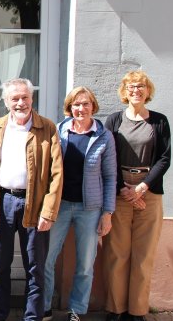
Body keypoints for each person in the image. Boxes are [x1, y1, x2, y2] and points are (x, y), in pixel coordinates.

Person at [0, 77, 63, 321]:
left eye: (25, 97)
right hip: (1, 202)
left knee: (35, 267)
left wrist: (48, 211)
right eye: (15, 98)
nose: (20, 103)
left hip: (34, 205)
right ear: (6, 102)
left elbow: (56, 174)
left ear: (32, 99)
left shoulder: (47, 128)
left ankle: (32, 317)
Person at [42, 87, 117, 321]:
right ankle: (44, 307)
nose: (80, 108)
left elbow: (110, 177)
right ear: (69, 107)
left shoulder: (104, 136)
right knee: (46, 259)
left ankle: (76, 310)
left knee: (85, 264)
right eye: (76, 104)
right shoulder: (59, 130)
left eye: (85, 104)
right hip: (60, 205)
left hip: (89, 208)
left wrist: (108, 213)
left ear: (93, 106)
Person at [102, 71, 171, 321]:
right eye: (131, 86)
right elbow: (108, 156)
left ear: (148, 91)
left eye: (141, 86)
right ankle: (116, 309)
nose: (136, 90)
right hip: (119, 191)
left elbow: (164, 158)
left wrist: (142, 188)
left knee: (143, 256)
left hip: (148, 192)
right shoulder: (114, 120)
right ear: (124, 91)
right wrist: (123, 187)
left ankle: (137, 311)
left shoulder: (159, 121)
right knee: (116, 254)